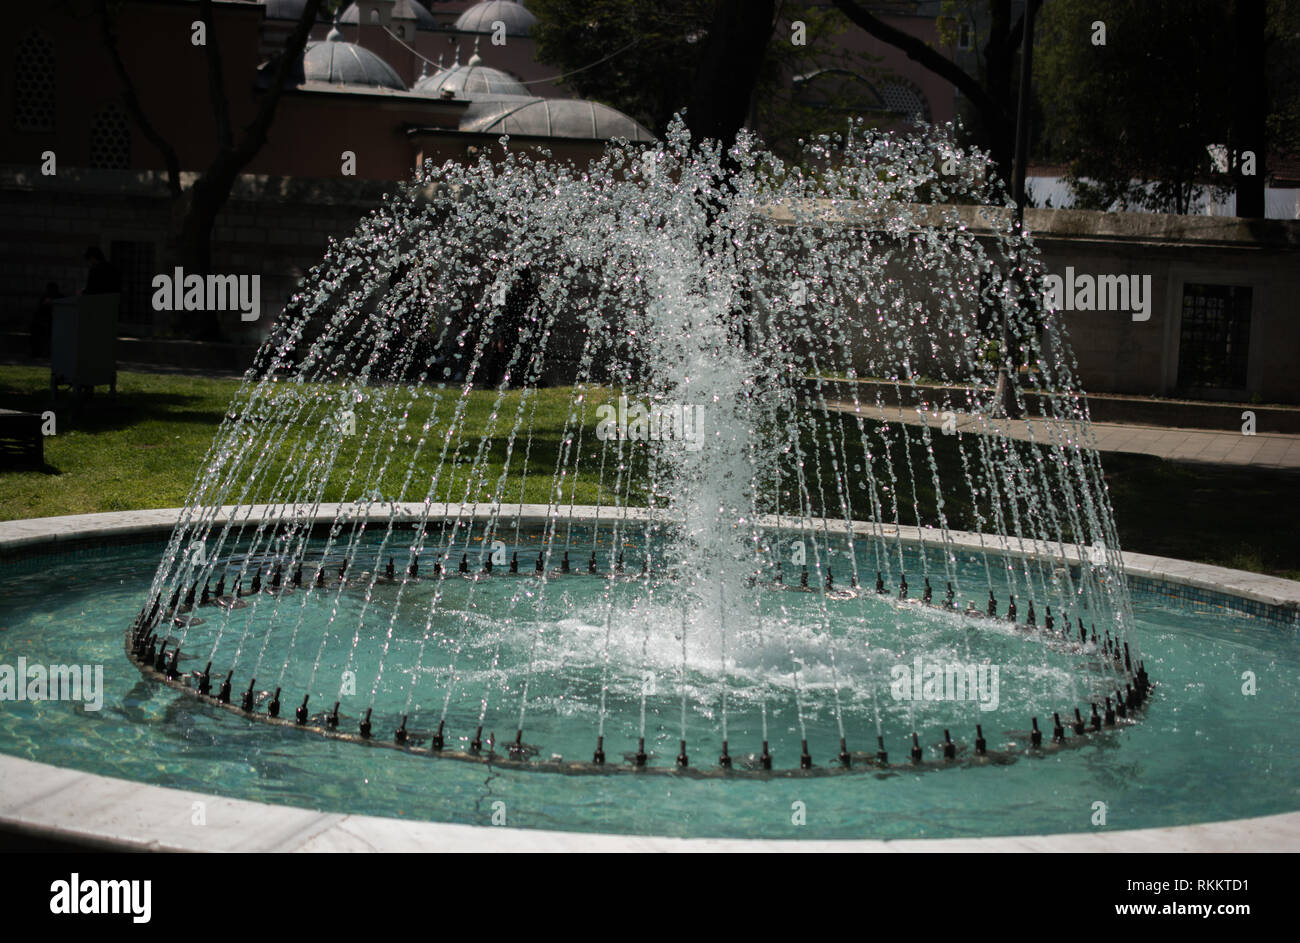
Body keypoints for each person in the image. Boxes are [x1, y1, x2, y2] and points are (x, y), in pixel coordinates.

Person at [29, 281, 62, 357]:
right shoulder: (45, 298)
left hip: (56, 322)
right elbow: (39, 311)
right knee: (36, 329)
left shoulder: (60, 298)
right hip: (43, 322)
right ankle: (36, 352)